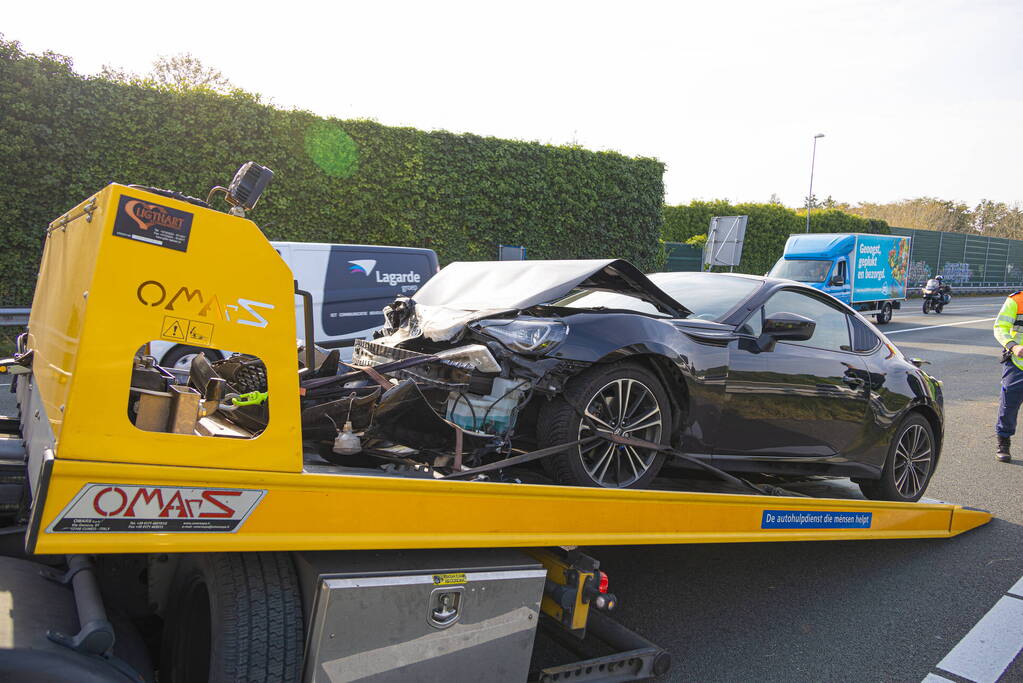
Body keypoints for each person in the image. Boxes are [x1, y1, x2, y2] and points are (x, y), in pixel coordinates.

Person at [993, 291, 1023, 462]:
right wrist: (1013, 346)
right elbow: (1000, 327)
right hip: (1018, 363)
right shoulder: (1016, 300)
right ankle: (1003, 442)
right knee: (1009, 404)